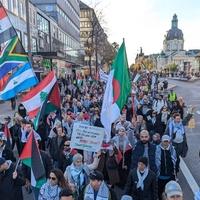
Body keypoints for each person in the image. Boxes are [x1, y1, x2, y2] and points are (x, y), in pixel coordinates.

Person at [155, 135, 177, 200]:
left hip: (170, 176)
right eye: (164, 141)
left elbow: (176, 162)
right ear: (161, 141)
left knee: (170, 193)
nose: (166, 143)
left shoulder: (172, 149)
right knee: (160, 193)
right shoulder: (157, 149)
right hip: (160, 176)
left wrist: (175, 172)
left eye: (167, 141)